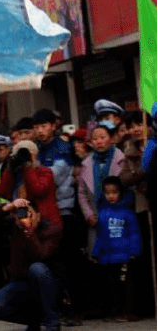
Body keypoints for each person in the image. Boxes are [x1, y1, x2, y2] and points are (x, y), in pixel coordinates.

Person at [0, 199, 63, 331]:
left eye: (28, 213)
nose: (24, 216)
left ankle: (52, 321)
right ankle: (34, 319)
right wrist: (8, 207)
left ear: (38, 214)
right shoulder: (14, 226)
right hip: (20, 282)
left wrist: (29, 231)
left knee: (37, 268)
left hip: (48, 284)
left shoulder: (51, 229)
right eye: (20, 213)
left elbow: (42, 255)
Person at [91, 176, 142, 321]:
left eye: (114, 192)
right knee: (111, 286)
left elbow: (134, 233)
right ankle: (115, 311)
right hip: (108, 256)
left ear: (120, 193)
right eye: (107, 193)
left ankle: (129, 311)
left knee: (126, 285)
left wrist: (134, 251)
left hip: (124, 255)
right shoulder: (103, 213)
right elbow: (101, 236)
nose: (111, 196)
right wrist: (96, 253)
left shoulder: (127, 212)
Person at [78, 121, 125, 254]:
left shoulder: (121, 159)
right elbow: (82, 193)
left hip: (118, 216)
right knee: (100, 258)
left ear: (111, 139)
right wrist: (89, 215)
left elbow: (128, 190)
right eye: (95, 138)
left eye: (103, 137)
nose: (99, 141)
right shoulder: (86, 164)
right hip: (96, 218)